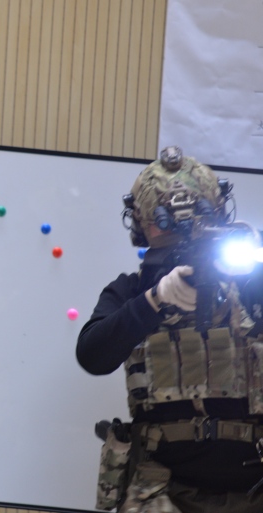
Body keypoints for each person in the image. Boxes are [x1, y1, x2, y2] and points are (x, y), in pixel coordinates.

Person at [77, 146, 263, 513]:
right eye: (162, 220)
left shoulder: (249, 282)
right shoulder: (132, 290)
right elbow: (92, 355)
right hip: (161, 491)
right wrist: (153, 300)